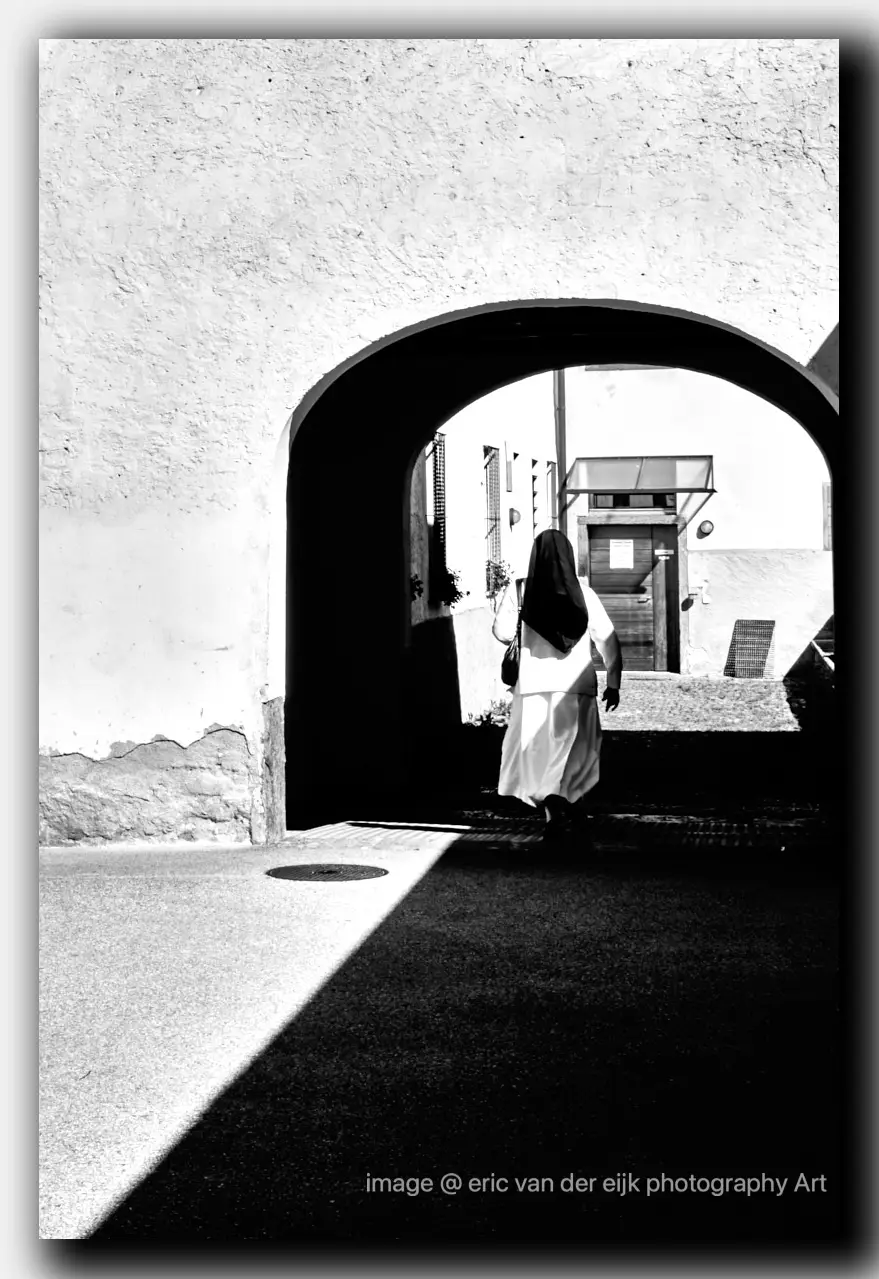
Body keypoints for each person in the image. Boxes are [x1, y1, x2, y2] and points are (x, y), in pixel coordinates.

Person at [492, 529, 623, 840]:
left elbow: (501, 632)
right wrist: (613, 682)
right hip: (576, 687)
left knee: (538, 753)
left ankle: (554, 810)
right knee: (576, 751)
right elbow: (608, 640)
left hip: (532, 686)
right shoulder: (585, 594)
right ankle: (567, 804)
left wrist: (528, 638)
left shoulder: (520, 591)